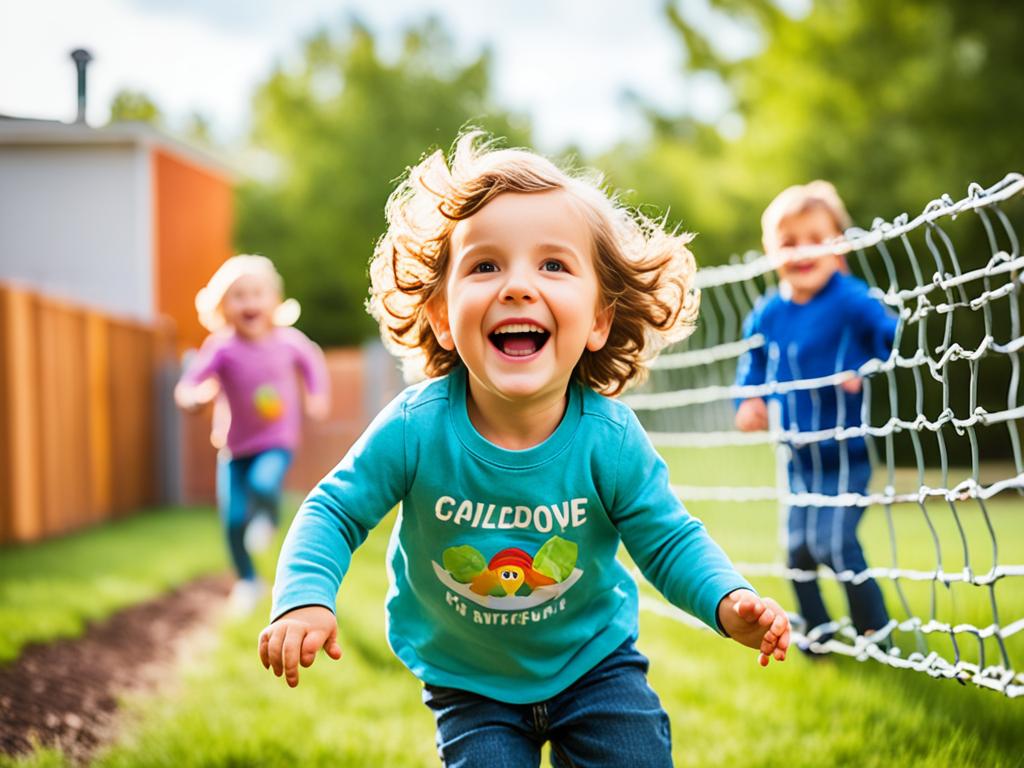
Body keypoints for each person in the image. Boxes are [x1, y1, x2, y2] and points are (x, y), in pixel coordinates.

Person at [258, 133, 790, 768]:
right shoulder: (415, 428)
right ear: (440, 315)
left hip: (593, 665)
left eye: (553, 266)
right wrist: (304, 595)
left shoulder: (609, 439)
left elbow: (668, 539)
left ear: (597, 318)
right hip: (468, 681)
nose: (516, 287)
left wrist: (726, 601)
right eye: (485, 266)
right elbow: (334, 512)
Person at [734, 181, 897, 651]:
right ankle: (817, 632)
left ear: (839, 244)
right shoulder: (768, 313)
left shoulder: (850, 297)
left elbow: (891, 336)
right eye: (788, 242)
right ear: (770, 251)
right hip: (794, 454)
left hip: (844, 450)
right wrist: (749, 399)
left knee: (836, 545)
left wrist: (864, 365)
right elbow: (753, 365)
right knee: (796, 552)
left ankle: (876, 632)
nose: (802, 251)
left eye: (814, 238)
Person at [175, 255, 329, 614]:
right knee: (231, 523)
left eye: (257, 294)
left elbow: (313, 361)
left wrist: (317, 395)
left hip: (277, 439)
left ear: (274, 301)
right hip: (233, 447)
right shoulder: (221, 346)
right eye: (238, 296)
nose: (249, 303)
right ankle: (248, 581)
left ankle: (269, 518)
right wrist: (192, 398)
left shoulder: (289, 341)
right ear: (222, 306)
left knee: (264, 483)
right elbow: (189, 383)